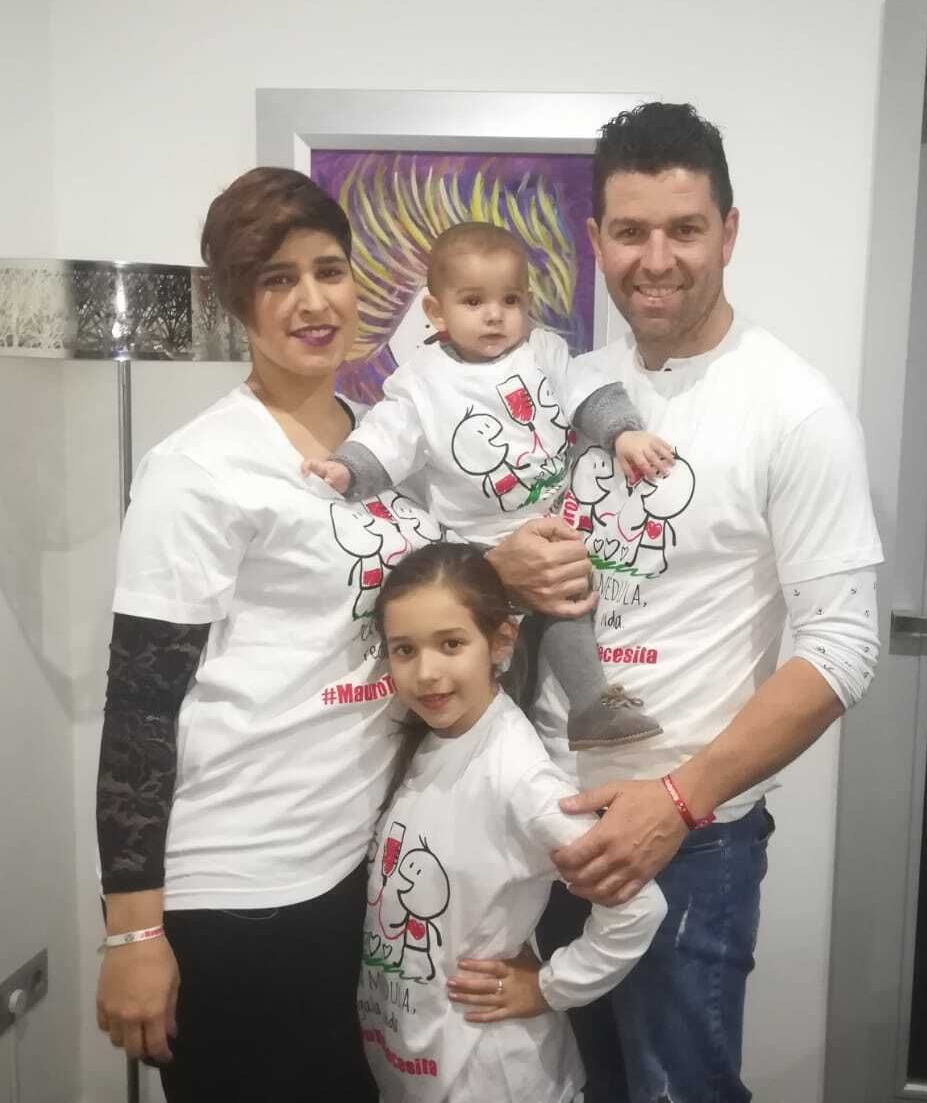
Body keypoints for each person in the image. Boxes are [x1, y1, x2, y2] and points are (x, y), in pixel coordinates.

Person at [91, 167, 591, 1100]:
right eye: (277, 280)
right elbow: (138, 711)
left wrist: (503, 566)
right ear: (236, 301)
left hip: (353, 868)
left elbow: (422, 600)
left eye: (330, 269)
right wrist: (133, 932)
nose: (313, 301)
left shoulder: (379, 441)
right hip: (243, 885)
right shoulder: (198, 471)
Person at [502, 102, 886, 1102]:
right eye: (629, 232)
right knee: (554, 1087)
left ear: (728, 231)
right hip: (531, 812)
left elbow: (845, 646)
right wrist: (504, 573)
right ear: (595, 241)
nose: (656, 258)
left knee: (677, 1093)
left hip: (689, 841)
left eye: (683, 229)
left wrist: (677, 804)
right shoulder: (574, 388)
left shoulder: (792, 409)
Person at [303, 220, 672, 752]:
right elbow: (390, 435)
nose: (495, 315)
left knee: (569, 600)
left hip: (547, 527)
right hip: (472, 544)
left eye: (511, 300)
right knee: (488, 647)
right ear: (437, 311)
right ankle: (485, 740)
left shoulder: (543, 352)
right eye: (473, 301)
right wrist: (347, 469)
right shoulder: (423, 380)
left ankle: (590, 705)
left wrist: (624, 433)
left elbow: (589, 395)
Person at [359, 542, 665, 1102]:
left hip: (496, 1078)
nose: (427, 673)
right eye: (405, 649)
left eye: (451, 644)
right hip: (418, 1069)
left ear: (500, 642)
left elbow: (639, 906)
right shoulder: (429, 743)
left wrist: (550, 987)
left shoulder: (518, 777)